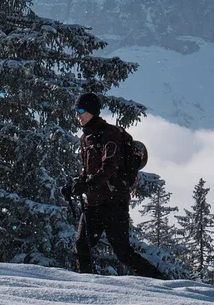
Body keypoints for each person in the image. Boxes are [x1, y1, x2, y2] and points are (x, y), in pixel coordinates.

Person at [67, 92, 165, 279]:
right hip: (93, 203)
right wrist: (76, 184)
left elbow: (109, 167)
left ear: (92, 112)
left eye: (80, 110)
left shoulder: (110, 134)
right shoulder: (85, 138)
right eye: (76, 111)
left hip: (114, 203)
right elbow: (88, 171)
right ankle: (89, 285)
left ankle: (161, 282)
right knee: (81, 247)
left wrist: (87, 185)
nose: (77, 115)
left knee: (123, 252)